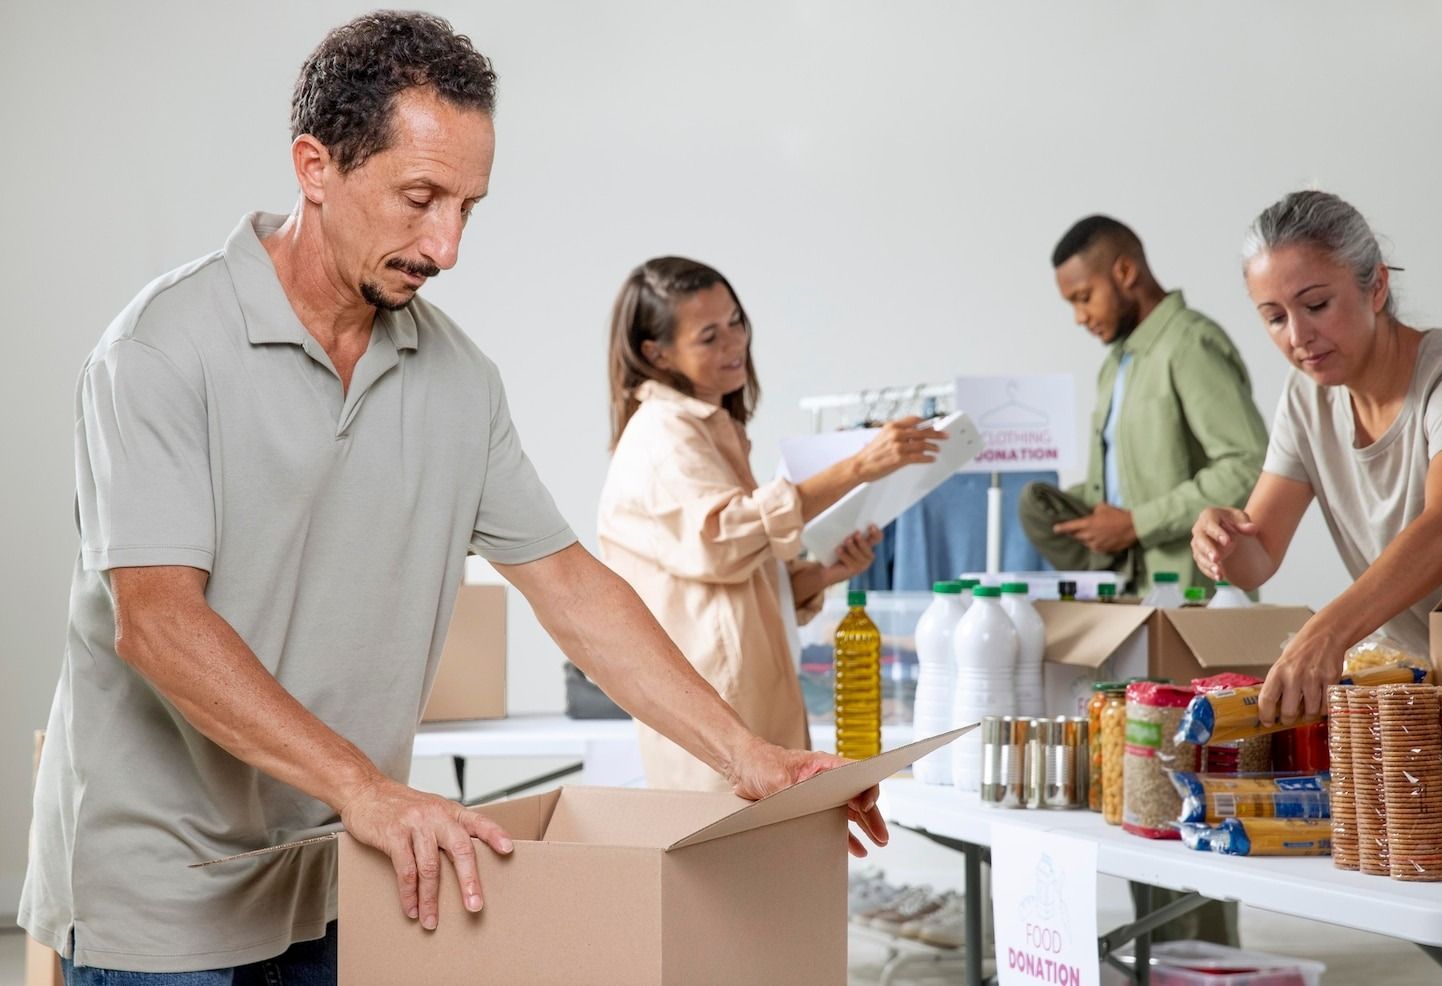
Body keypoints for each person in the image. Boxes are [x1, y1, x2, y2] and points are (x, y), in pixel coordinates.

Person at [19, 15, 886, 983]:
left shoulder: (459, 380)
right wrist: (366, 786)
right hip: (162, 895)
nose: (448, 246)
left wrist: (742, 753)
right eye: (421, 199)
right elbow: (158, 623)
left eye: (468, 206)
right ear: (315, 166)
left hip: (336, 872)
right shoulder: (160, 350)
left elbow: (566, 583)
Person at [598, 257, 946, 790]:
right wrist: (859, 466)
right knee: (730, 867)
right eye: (709, 335)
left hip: (745, 709)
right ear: (656, 352)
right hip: (718, 719)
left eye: (736, 322)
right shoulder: (664, 437)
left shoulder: (711, 433)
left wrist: (819, 574)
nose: (734, 344)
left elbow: (732, 578)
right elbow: (721, 540)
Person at [1194, 189, 1442, 725]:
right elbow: (1258, 555)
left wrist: (1324, 633)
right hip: (1427, 692)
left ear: (1376, 285)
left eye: (1316, 305)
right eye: (1274, 317)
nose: (1299, 336)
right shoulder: (1307, 397)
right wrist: (1221, 538)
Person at [1020, 215, 1268, 595]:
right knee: (1029, 502)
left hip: (1193, 597)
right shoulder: (1113, 368)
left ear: (1124, 271)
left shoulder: (1190, 345)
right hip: (1124, 592)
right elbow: (1130, 484)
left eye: (1084, 298)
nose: (1079, 317)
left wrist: (1138, 523)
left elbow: (1247, 465)